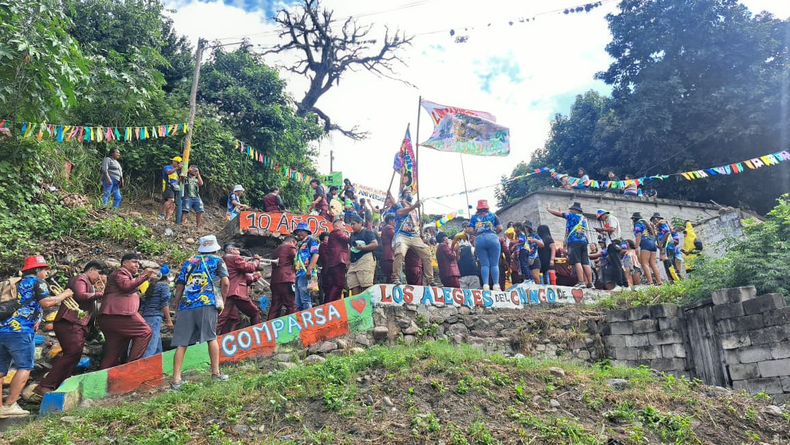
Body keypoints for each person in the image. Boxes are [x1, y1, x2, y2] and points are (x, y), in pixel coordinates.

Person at [0, 256, 73, 416]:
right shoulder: (37, 282)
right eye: (45, 269)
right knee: (24, 367)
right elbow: (46, 303)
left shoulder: (16, 282)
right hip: (21, 331)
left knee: (1, 369)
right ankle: (10, 405)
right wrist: (64, 295)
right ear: (38, 270)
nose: (47, 273)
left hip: (3, 329)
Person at [35, 261, 107, 397]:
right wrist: (100, 294)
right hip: (69, 321)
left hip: (76, 324)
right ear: (91, 269)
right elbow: (80, 295)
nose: (99, 277)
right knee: (72, 353)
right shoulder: (80, 278)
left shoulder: (89, 283)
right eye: (99, 272)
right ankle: (45, 385)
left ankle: (58, 384)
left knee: (74, 355)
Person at [172, 235, 230, 389]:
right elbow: (225, 282)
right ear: (215, 247)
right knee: (211, 337)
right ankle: (215, 373)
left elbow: (180, 284)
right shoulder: (218, 261)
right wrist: (223, 299)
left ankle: (176, 380)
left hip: (186, 305)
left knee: (182, 343)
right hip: (207, 302)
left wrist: (177, 303)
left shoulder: (189, 262)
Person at [99, 253, 155, 369]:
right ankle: (132, 367)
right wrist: (144, 276)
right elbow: (126, 286)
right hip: (119, 314)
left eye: (139, 263)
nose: (137, 265)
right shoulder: (121, 272)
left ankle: (100, 380)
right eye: (134, 262)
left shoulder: (127, 276)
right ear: (124, 263)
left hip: (112, 316)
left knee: (113, 354)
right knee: (145, 332)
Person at [391, 188, 435, 286]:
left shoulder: (415, 209)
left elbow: (416, 223)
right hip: (402, 234)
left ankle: (430, 280)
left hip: (414, 235)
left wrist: (421, 232)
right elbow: (400, 213)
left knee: (427, 253)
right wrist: (414, 206)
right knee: (399, 253)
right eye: (408, 193)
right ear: (403, 195)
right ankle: (396, 277)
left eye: (411, 193)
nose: (410, 194)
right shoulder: (400, 203)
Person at [547, 202, 593, 288]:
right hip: (583, 241)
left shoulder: (571, 216)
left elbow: (559, 214)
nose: (570, 211)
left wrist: (549, 210)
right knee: (585, 262)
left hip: (574, 241)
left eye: (571, 210)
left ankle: (581, 282)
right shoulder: (583, 219)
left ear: (575, 210)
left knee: (577, 261)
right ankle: (590, 283)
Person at [218, 244, 262, 334]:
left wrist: (255, 276)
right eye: (236, 249)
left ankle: (214, 338)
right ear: (231, 250)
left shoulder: (223, 259)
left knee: (224, 318)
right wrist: (256, 260)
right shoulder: (235, 258)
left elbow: (244, 278)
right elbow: (250, 268)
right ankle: (258, 335)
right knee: (255, 313)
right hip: (237, 292)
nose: (239, 251)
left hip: (228, 292)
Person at [467, 200, 503, 291]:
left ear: (478, 208)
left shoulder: (474, 217)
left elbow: (470, 230)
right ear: (487, 207)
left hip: (479, 240)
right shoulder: (493, 215)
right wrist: (494, 232)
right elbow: (500, 228)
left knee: (484, 265)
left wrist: (477, 231)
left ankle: (486, 285)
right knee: (494, 264)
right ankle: (496, 285)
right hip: (493, 239)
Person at [140, 266, 173, 358]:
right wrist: (169, 320)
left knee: (157, 345)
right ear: (168, 276)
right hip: (155, 317)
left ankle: (157, 366)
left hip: (146, 316)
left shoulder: (152, 285)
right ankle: (145, 367)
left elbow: (143, 301)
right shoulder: (164, 286)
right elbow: (164, 304)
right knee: (151, 346)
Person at [347, 215, 378, 295]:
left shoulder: (368, 232)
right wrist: (348, 260)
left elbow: (375, 244)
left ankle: (368, 304)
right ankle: (357, 306)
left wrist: (363, 248)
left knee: (366, 285)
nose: (352, 226)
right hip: (353, 262)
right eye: (351, 224)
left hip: (365, 259)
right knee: (353, 285)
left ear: (360, 223)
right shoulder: (352, 235)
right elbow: (350, 248)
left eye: (354, 224)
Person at [269, 237, 297, 320]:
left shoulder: (275, 251)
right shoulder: (290, 247)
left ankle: (269, 328)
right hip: (287, 278)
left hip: (275, 280)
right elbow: (297, 261)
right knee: (291, 304)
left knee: (275, 306)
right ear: (292, 241)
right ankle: (290, 327)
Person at [631, 212, 662, 285]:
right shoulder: (646, 225)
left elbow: (638, 235)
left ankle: (650, 282)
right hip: (652, 244)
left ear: (634, 219)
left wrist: (636, 247)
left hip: (645, 244)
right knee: (653, 264)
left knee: (644, 263)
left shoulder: (638, 225)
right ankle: (659, 281)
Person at [293, 223, 320, 310]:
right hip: (299, 273)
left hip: (307, 273)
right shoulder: (300, 243)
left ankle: (308, 319)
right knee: (298, 301)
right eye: (297, 232)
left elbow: (316, 254)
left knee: (305, 298)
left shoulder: (312, 240)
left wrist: (309, 269)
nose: (299, 233)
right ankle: (301, 320)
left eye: (301, 231)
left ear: (307, 231)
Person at [323, 220, 350, 302]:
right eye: (343, 225)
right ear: (337, 226)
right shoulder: (337, 232)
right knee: (339, 284)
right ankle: (331, 304)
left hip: (333, 263)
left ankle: (331, 303)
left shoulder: (332, 235)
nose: (345, 227)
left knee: (334, 285)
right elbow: (348, 239)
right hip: (338, 261)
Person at [182, 165, 205, 230]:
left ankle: (198, 226)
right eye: (194, 171)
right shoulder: (186, 177)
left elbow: (201, 184)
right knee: (185, 210)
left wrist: (198, 174)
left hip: (196, 196)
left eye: (197, 171)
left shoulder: (196, 179)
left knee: (200, 211)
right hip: (188, 196)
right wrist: (188, 170)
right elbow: (182, 178)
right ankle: (183, 224)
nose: (196, 172)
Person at [162, 156, 182, 222]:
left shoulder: (177, 171)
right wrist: (177, 168)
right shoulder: (167, 167)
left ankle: (167, 218)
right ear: (174, 162)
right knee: (170, 200)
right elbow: (168, 172)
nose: (179, 164)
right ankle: (162, 214)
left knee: (173, 204)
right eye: (178, 163)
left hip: (175, 188)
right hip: (168, 186)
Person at [379, 213, 395, 283]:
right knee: (392, 277)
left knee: (389, 278)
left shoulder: (385, 228)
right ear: (390, 220)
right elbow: (396, 236)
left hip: (386, 255)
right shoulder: (389, 228)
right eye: (395, 220)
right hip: (389, 256)